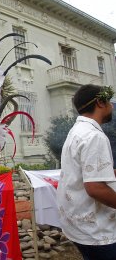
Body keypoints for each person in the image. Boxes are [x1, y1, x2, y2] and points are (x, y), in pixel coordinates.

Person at [56, 84, 116, 260]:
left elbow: (83, 172)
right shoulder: (95, 136)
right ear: (100, 103)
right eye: (110, 101)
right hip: (97, 232)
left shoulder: (76, 131)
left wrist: (111, 172)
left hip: (77, 226)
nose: (112, 105)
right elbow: (94, 187)